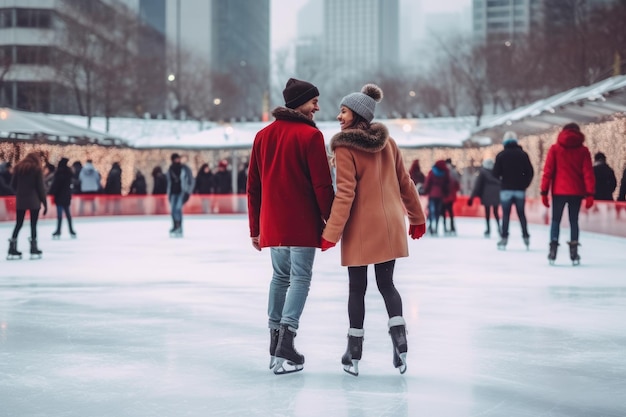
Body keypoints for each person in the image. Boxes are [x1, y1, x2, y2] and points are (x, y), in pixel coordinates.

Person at [320, 84, 426, 376]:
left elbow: (345, 193)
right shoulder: (388, 143)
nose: (339, 117)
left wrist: (331, 233)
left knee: (357, 288)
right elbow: (405, 182)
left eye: (343, 111)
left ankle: (354, 350)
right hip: (390, 223)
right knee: (387, 284)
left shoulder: (344, 146)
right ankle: (400, 341)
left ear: (356, 114)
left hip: (360, 227)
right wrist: (417, 218)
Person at [247, 78, 334, 375]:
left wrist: (255, 228)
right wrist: (332, 219)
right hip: (302, 224)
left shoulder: (262, 136)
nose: (318, 108)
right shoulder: (310, 137)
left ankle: (275, 343)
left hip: (273, 223)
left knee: (280, 277)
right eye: (314, 102)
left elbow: (253, 187)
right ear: (299, 103)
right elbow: (322, 185)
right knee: (299, 279)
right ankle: (287, 339)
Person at [541, 123, 595, 265]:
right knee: (573, 221)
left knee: (556, 221)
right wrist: (590, 193)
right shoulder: (583, 151)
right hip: (576, 192)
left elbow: (548, 172)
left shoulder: (554, 149)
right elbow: (588, 173)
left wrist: (544, 192)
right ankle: (574, 252)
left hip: (559, 191)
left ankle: (553, 249)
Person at [492, 131, 534, 250]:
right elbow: (530, 172)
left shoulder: (501, 155)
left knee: (506, 215)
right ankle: (526, 237)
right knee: (521, 214)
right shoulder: (523, 155)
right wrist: (525, 184)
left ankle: (504, 238)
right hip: (520, 189)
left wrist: (502, 181)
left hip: (506, 190)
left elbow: (495, 173)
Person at [7, 152, 47, 260]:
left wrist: (19, 193)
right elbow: (40, 188)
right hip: (34, 201)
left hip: (21, 200)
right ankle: (33, 248)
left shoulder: (18, 169)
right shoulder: (37, 169)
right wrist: (44, 202)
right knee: (33, 224)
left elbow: (12, 185)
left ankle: (12, 247)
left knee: (18, 224)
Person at [468, 159, 501, 238]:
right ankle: (499, 228)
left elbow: (477, 185)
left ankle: (488, 229)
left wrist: (472, 197)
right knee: (496, 212)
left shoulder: (482, 173)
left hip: (486, 195)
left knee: (487, 213)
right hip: (496, 194)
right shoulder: (496, 172)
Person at [166, 153, 194, 236]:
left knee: (178, 209)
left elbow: (190, 180)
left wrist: (188, 191)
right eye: (175, 159)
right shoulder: (170, 169)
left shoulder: (184, 169)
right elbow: (169, 182)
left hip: (181, 192)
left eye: (178, 158)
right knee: (173, 210)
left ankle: (179, 227)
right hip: (173, 193)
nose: (177, 160)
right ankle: (175, 226)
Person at [49, 157, 77, 239]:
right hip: (66, 196)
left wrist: (52, 192)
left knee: (60, 215)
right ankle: (71, 230)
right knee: (68, 215)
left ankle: (58, 230)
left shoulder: (59, 173)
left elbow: (55, 185)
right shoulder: (69, 173)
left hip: (59, 196)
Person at [422, 160, 449, 236]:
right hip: (440, 195)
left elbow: (428, 182)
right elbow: (447, 183)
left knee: (431, 211)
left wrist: (426, 191)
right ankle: (436, 228)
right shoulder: (445, 172)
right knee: (437, 212)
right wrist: (446, 193)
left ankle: (430, 227)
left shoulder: (432, 172)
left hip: (432, 195)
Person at [441, 158, 460, 236]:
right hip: (450, 195)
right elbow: (457, 184)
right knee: (450, 212)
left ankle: (446, 227)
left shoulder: (444, 172)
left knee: (444, 212)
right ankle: (452, 227)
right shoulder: (454, 172)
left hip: (445, 195)